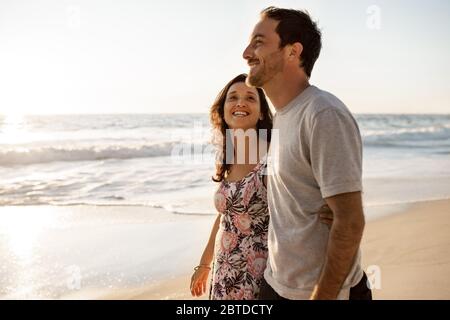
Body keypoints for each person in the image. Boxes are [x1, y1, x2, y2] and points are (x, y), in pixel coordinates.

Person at [242, 7, 372, 300]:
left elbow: (351, 221)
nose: (246, 52)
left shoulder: (322, 113)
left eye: (259, 42)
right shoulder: (284, 115)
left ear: (292, 51)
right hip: (276, 283)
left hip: (321, 291)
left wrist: (322, 295)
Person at [190, 74, 333, 300]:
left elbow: (306, 196)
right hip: (224, 273)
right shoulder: (229, 154)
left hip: (259, 275)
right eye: (233, 97)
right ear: (223, 108)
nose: (240, 103)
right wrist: (204, 264)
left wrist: (332, 209)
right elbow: (227, 216)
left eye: (250, 98)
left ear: (261, 112)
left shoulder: (273, 156)